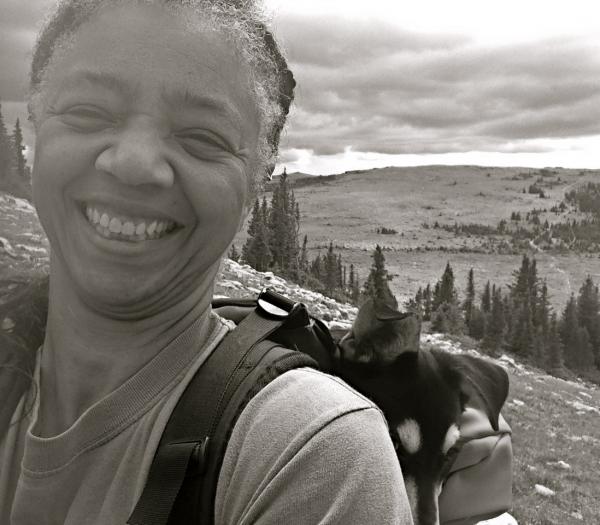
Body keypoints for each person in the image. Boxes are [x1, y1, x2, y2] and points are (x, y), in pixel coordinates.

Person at [0, 1, 413, 523]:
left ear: (254, 187)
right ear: (36, 125)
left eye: (202, 137)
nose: (134, 164)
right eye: (88, 112)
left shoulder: (310, 454)